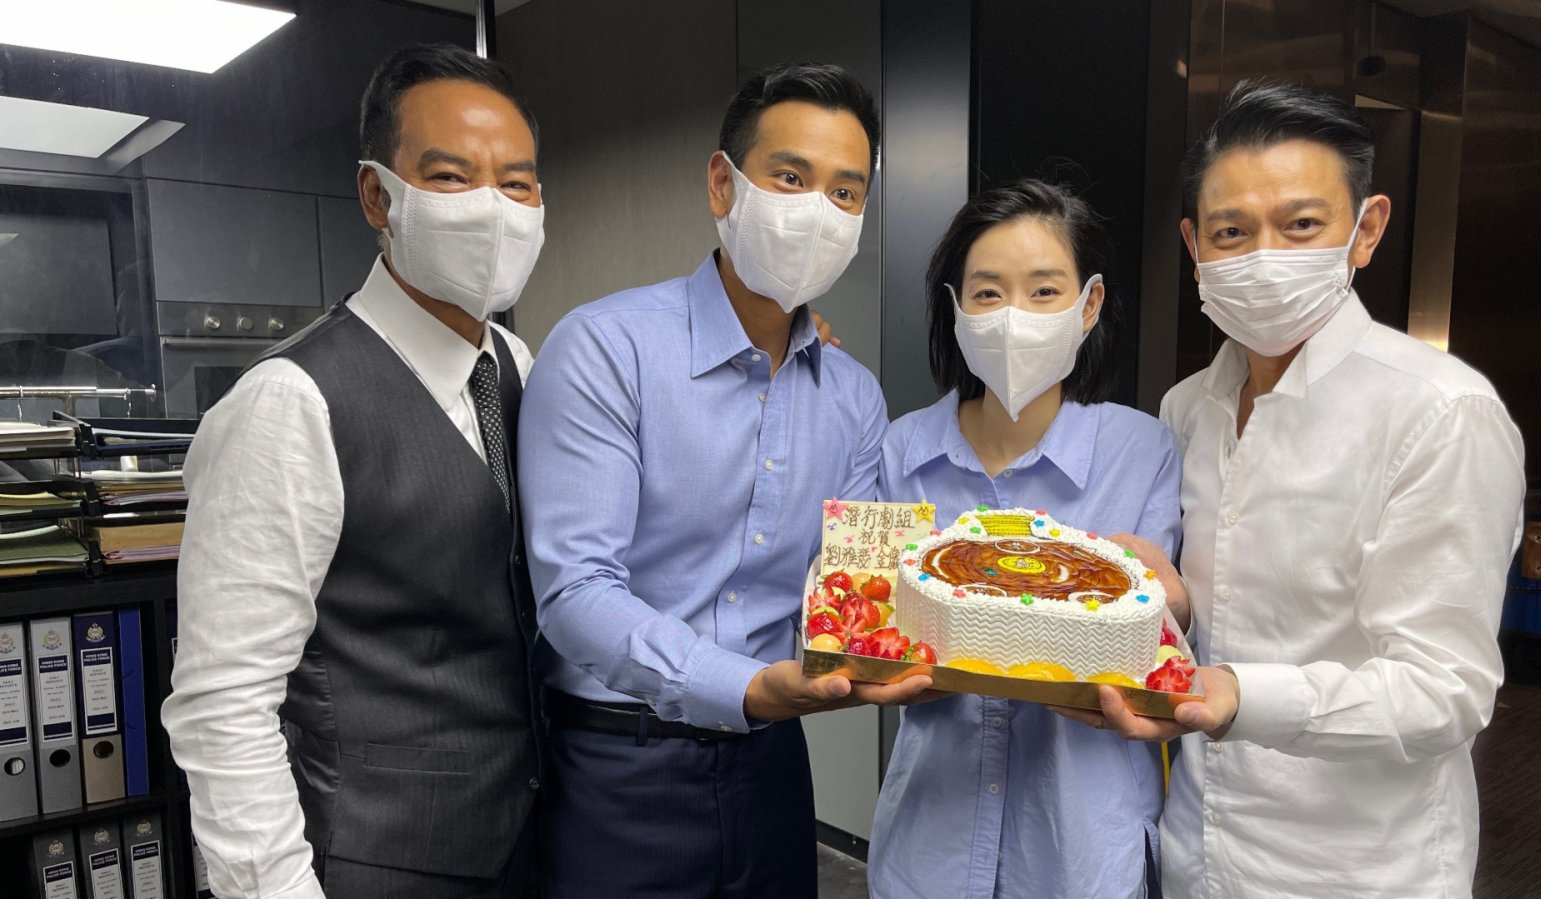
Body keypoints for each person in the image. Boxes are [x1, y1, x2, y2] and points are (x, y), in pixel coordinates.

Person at [1058, 82, 1525, 898]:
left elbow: (1443, 689)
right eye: (1232, 232)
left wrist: (1237, 695)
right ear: (1194, 245)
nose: (1264, 256)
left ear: (1365, 229)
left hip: (1357, 871)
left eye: (1301, 225)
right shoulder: (1187, 408)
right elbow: (1224, 615)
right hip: (1199, 853)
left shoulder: (1441, 413)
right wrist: (1174, 610)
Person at [521, 63, 929, 898]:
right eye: (791, 177)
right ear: (722, 182)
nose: (817, 211)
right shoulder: (607, 349)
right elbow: (575, 591)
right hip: (618, 763)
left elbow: (845, 590)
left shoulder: (854, 397)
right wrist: (742, 686)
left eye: (845, 193)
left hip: (772, 763)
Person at [163, 45, 547, 899]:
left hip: (527, 842)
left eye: (518, 184)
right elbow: (224, 702)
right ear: (379, 195)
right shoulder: (288, 402)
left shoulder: (517, 365)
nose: (494, 208)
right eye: (451, 177)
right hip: (376, 862)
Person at [869, 179, 1183, 899]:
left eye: (1044, 292)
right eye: (987, 293)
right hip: (929, 848)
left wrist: (1171, 609)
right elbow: (874, 623)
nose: (1014, 316)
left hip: (1080, 856)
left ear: (1089, 304)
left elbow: (1157, 643)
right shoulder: (901, 450)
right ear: (955, 309)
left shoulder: (1143, 451)